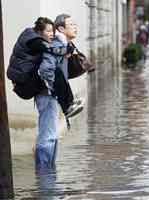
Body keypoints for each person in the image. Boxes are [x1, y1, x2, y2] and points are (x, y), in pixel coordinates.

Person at [35, 14, 86, 168]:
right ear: (61, 29)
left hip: (52, 95)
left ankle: (49, 173)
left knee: (53, 135)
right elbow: (45, 69)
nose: (75, 27)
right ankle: (44, 177)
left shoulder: (64, 45)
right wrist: (54, 90)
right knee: (48, 136)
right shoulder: (57, 44)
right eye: (71, 24)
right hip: (48, 94)